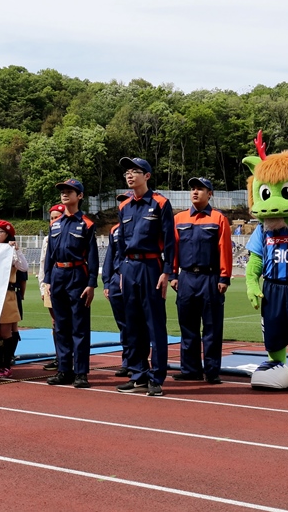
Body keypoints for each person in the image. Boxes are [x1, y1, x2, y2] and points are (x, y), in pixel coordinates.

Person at [116, 157, 175, 397]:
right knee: (133, 325)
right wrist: (121, 270)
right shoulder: (124, 206)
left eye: (135, 171)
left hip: (151, 267)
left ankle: (156, 377)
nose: (130, 175)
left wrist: (167, 271)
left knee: (154, 324)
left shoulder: (161, 203)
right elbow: (120, 243)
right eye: (127, 172)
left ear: (147, 176)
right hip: (129, 267)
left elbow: (170, 241)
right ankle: (138, 374)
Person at [169, 178, 232, 384]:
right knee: (188, 327)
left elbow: (225, 249)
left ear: (210, 194)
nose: (195, 192)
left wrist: (224, 277)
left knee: (212, 328)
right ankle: (190, 369)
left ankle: (212, 371)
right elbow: (173, 249)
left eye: (200, 189)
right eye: (193, 189)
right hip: (186, 278)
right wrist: (173, 275)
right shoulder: (178, 219)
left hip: (210, 278)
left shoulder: (218, 218)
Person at [43, 179, 98, 389]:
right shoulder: (55, 224)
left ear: (80, 196)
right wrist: (47, 279)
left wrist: (91, 283)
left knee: (79, 327)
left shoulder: (87, 224)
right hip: (58, 275)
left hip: (77, 275)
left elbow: (92, 255)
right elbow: (50, 254)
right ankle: (64, 370)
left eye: (70, 191)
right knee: (61, 326)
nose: (65, 194)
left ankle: (81, 373)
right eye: (63, 191)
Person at [0, 220, 28, 378]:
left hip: (7, 294)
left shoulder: (11, 250)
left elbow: (23, 267)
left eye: (0, 232)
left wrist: (16, 250)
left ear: (8, 234)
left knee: (5, 331)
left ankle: (6, 365)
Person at [102, 192, 134, 378]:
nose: (122, 205)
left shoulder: (141, 225)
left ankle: (137, 362)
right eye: (120, 203)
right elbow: (109, 256)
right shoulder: (114, 230)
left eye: (126, 201)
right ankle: (127, 361)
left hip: (133, 277)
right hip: (116, 280)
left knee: (136, 323)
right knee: (123, 325)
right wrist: (107, 282)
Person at [38, 203, 65, 370]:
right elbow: (43, 264)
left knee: (67, 321)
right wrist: (42, 286)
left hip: (66, 281)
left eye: (57, 217)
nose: (54, 221)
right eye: (52, 218)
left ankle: (69, 357)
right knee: (55, 322)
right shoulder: (47, 239)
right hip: (50, 284)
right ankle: (59, 357)